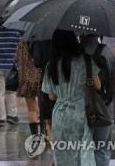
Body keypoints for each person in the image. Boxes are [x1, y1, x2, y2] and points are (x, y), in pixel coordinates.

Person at [42, 29, 101, 166]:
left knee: (63, 153)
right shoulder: (85, 60)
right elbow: (97, 85)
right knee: (83, 151)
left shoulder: (50, 65)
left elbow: (51, 96)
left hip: (60, 114)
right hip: (80, 111)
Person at [81, 34, 115, 166]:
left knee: (80, 146)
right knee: (102, 147)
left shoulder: (75, 52)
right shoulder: (108, 52)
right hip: (104, 105)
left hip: (81, 105)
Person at [0, 23, 21, 127]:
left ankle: (0, 118)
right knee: (11, 92)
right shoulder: (16, 32)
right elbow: (19, 49)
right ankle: (12, 115)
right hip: (12, 66)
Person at [14, 41, 42, 135]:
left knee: (31, 109)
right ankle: (44, 132)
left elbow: (17, 58)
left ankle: (34, 135)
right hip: (40, 76)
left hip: (25, 78)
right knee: (43, 108)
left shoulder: (22, 43)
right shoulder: (40, 42)